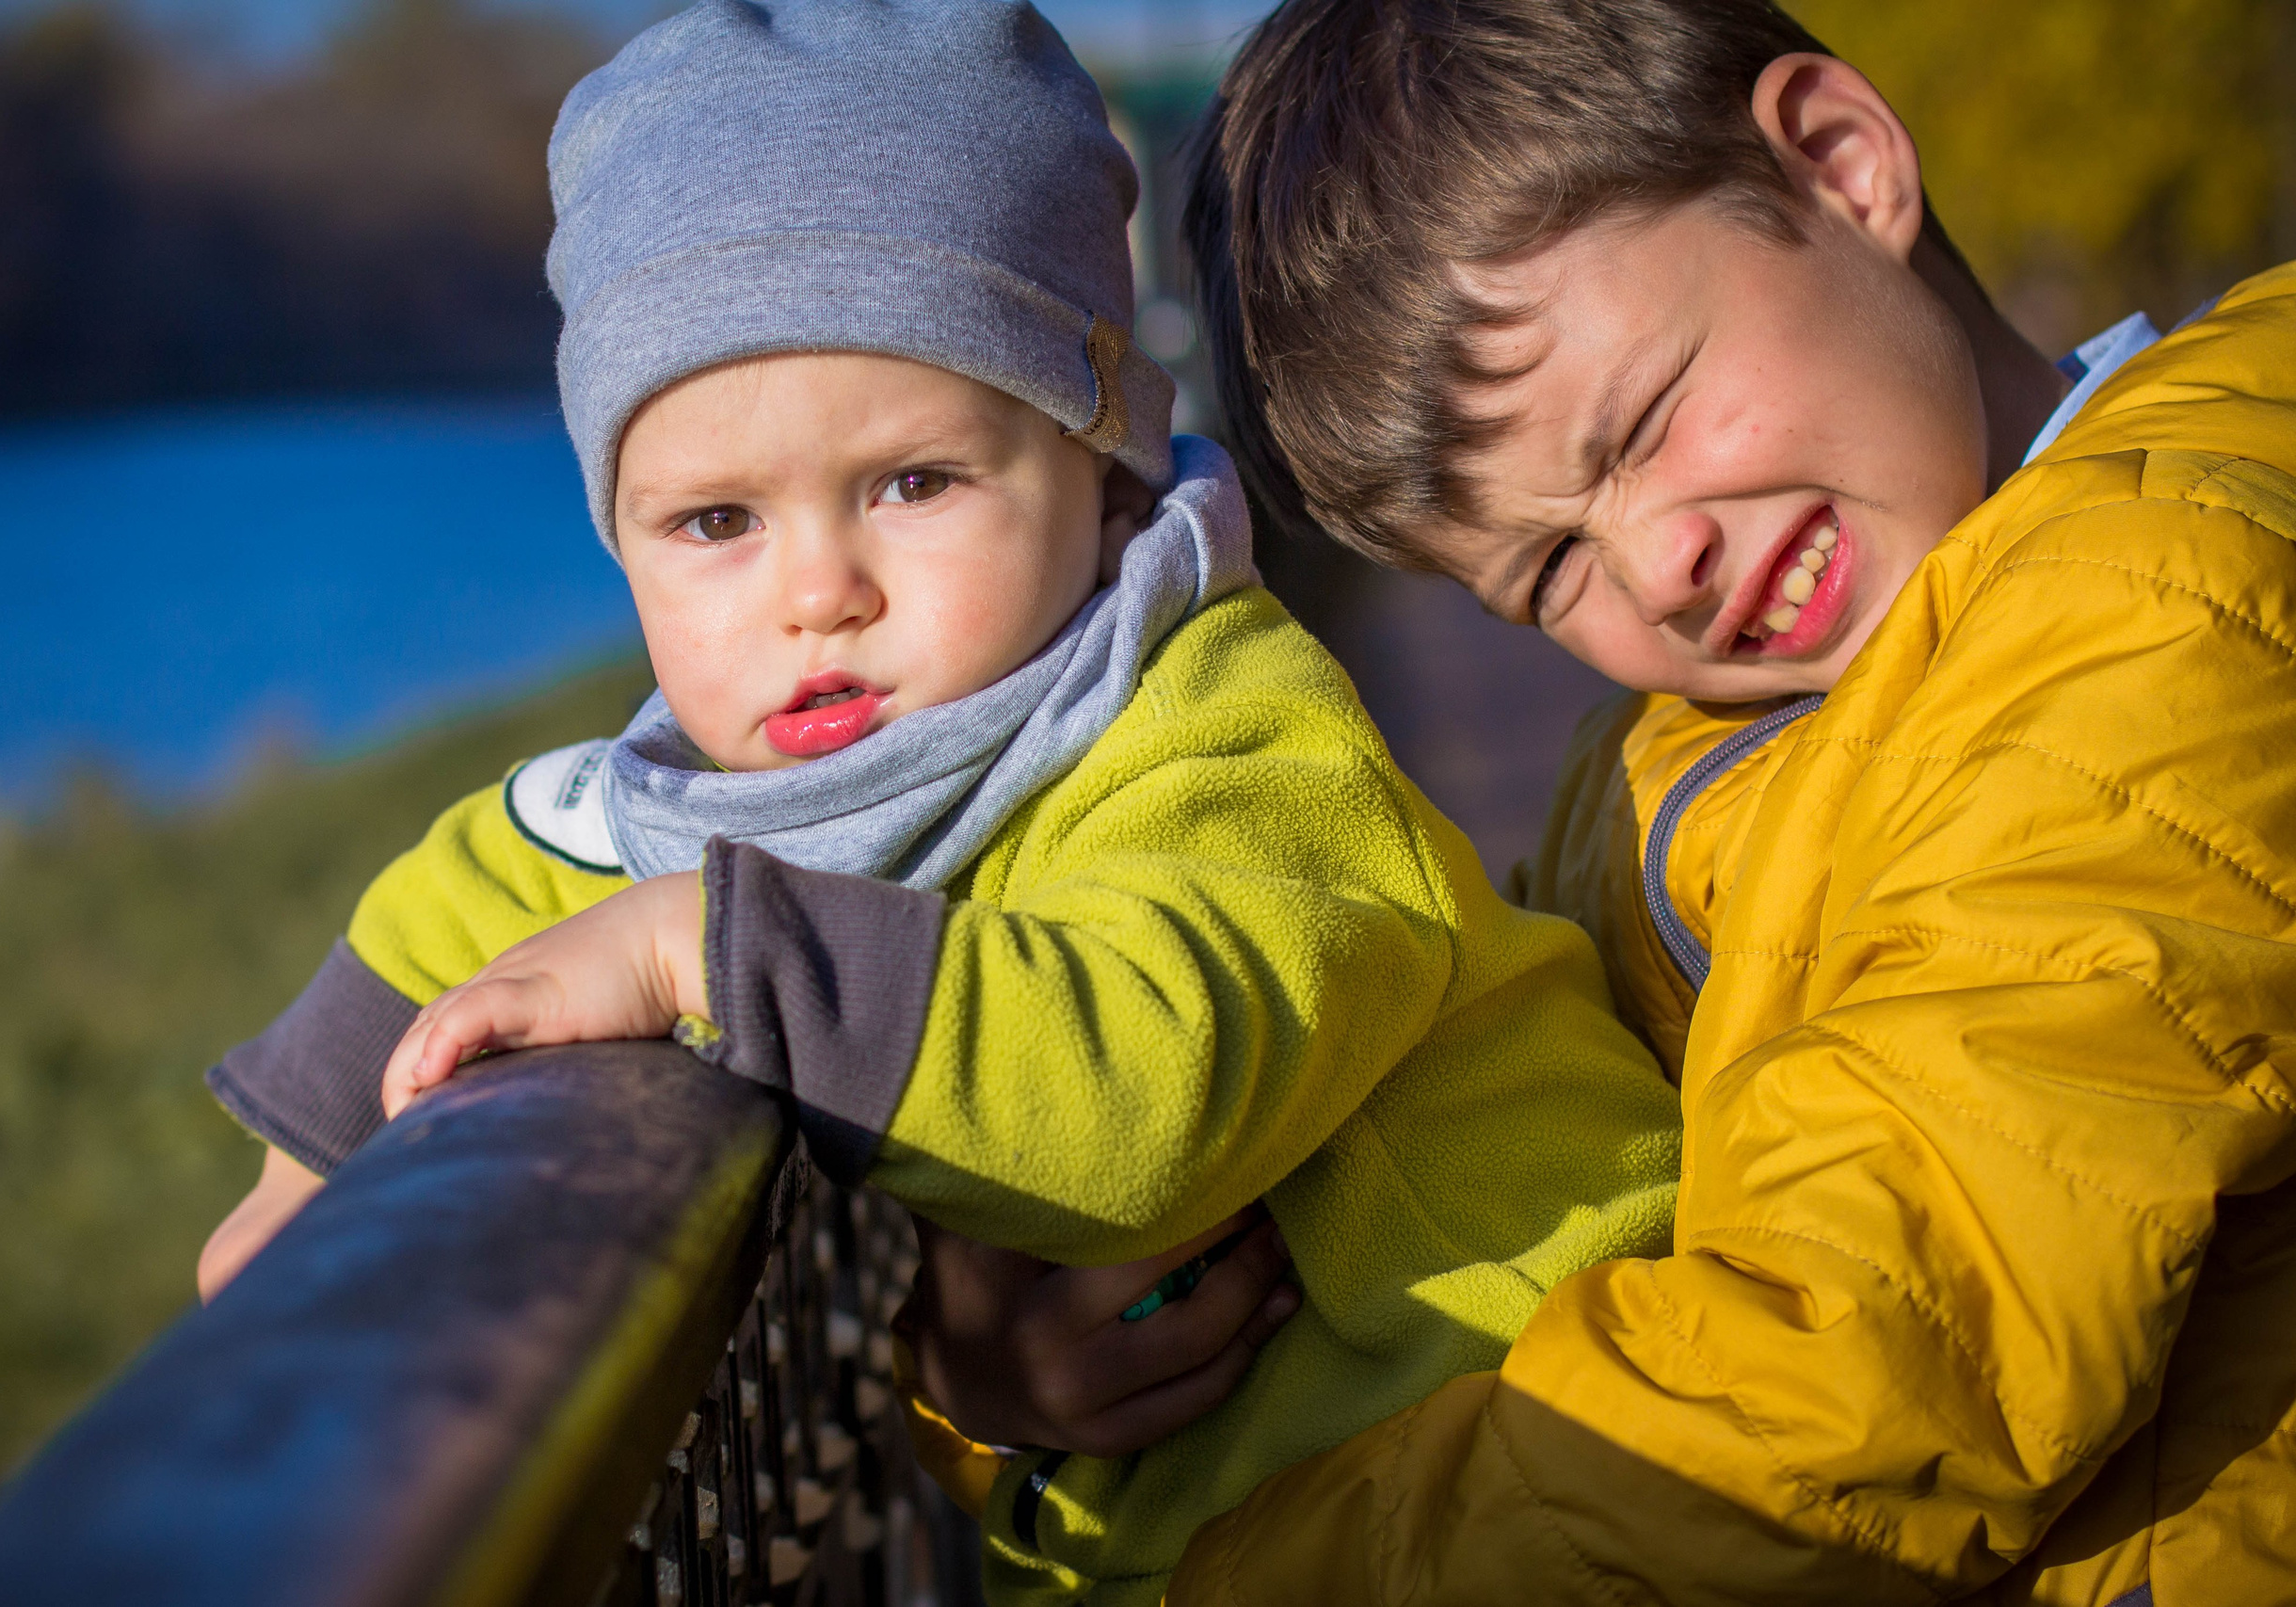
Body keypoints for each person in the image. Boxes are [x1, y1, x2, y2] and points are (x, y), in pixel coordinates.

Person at [194, 4, 1685, 1602]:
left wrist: (703, 958)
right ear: (617, 543)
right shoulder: (691, 809)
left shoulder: (1215, 732)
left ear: (1104, 471)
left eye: (914, 483)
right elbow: (481, 892)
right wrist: (309, 1195)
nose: (819, 592)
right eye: (713, 521)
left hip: (1572, 1456)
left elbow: (1152, 1095)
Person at [894, 2, 2296, 1602]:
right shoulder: (1661, 764)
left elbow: (1854, 1388)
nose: (1657, 568)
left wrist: (1211, 1580)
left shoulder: (2152, 616)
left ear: (1843, 165)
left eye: (1639, 426)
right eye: (1551, 566)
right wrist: (1044, 1391)